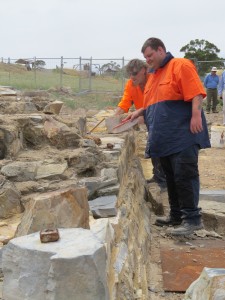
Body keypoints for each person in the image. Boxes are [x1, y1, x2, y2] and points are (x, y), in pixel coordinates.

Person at [125, 38, 211, 236]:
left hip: (183, 134)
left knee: (185, 175)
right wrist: (140, 112)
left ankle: (192, 219)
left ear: (161, 50)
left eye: (150, 55)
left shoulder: (179, 65)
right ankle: (175, 215)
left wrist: (196, 116)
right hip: (164, 138)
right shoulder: (154, 75)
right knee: (171, 177)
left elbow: (196, 93)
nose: (148, 60)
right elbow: (156, 104)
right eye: (145, 57)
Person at [114, 58, 166, 188]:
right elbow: (125, 103)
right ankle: (159, 177)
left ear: (144, 70)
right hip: (147, 116)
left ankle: (164, 179)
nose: (132, 77)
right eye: (130, 74)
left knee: (161, 145)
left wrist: (143, 113)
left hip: (162, 116)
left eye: (135, 73)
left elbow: (158, 101)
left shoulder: (154, 79)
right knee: (154, 144)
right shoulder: (131, 84)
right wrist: (114, 119)